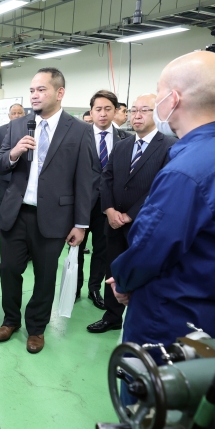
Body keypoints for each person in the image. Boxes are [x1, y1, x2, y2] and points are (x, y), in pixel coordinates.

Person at [109, 51, 215, 356]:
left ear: (172, 99)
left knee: (153, 398)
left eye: (159, 92)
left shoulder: (187, 169)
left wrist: (123, 280)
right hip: (205, 309)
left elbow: (153, 244)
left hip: (165, 311)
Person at [0, 68, 92, 354]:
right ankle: (10, 319)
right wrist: (13, 154)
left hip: (54, 218)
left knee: (45, 275)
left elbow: (85, 179)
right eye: (32, 90)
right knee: (9, 269)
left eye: (41, 90)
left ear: (60, 93)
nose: (34, 95)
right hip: (16, 212)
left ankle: (36, 328)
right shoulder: (16, 126)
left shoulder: (79, 130)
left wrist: (81, 223)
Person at [89, 94, 175, 334]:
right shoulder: (123, 144)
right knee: (113, 268)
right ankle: (112, 315)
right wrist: (108, 210)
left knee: (144, 270)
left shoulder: (169, 147)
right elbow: (107, 179)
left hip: (144, 225)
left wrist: (130, 215)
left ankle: (142, 316)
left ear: (157, 114)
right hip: (114, 223)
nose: (137, 115)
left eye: (145, 110)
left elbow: (161, 187)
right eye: (134, 110)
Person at [79, 90, 128, 309]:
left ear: (115, 111)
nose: (102, 114)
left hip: (107, 205)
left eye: (108, 109)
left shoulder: (124, 139)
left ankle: (94, 288)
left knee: (101, 248)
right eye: (98, 109)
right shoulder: (79, 136)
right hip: (81, 202)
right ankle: (74, 287)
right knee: (76, 247)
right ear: (91, 112)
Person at [0, 102, 26, 208]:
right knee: (3, 199)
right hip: (6, 174)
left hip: (24, 173)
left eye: (19, 113)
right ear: (9, 116)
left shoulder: (30, 129)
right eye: (14, 113)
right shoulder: (1, 130)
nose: (16, 115)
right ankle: (0, 224)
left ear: (24, 114)